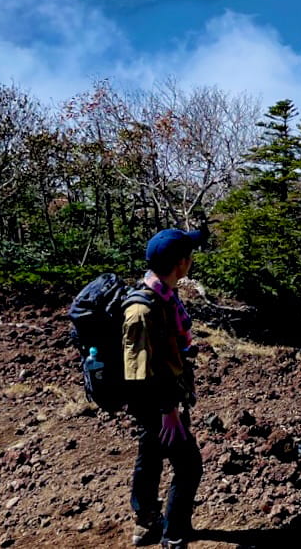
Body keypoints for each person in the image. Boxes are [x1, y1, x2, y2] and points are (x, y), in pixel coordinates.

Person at [124, 228, 205, 549]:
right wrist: (167, 410)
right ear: (182, 264)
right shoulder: (143, 309)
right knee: (189, 466)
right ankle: (173, 536)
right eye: (190, 256)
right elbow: (140, 372)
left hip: (161, 401)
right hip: (157, 403)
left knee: (151, 453)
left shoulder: (163, 296)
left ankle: (146, 521)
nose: (192, 261)